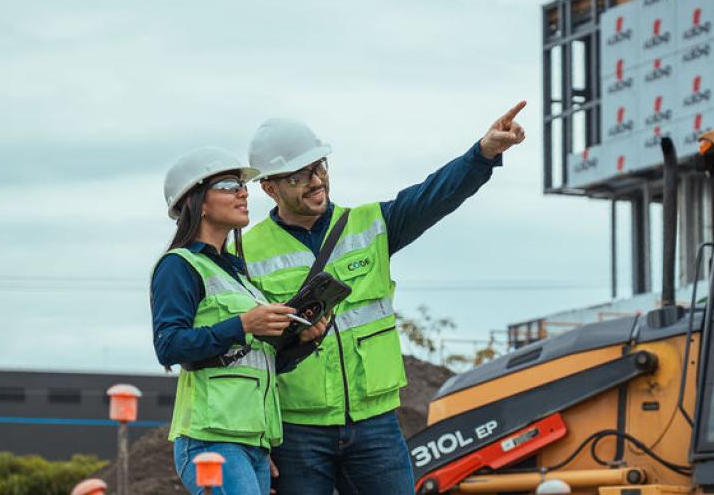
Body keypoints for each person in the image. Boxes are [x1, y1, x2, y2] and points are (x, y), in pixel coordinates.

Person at [241, 102, 527, 494]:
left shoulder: (370, 224)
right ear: (269, 187)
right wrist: (257, 440)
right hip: (297, 429)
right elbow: (247, 356)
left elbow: (433, 196)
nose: (316, 180)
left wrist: (483, 154)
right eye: (298, 176)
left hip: (375, 422)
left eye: (319, 166)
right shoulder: (245, 252)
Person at [151, 146, 328, 495]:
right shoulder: (179, 266)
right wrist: (244, 325)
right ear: (198, 201)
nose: (244, 192)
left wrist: (302, 343)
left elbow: (255, 360)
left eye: (242, 186)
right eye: (230, 185)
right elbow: (169, 346)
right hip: (210, 442)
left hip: (253, 443)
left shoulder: (238, 275)